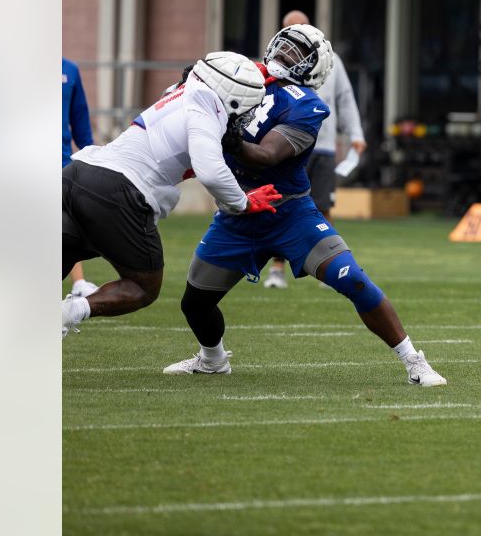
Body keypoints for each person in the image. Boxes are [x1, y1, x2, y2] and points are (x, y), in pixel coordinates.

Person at [163, 24, 447, 387]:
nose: (286, 55)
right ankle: (212, 359)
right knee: (195, 302)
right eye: (284, 46)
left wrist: (228, 136)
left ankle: (414, 361)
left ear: (313, 67)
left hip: (289, 214)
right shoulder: (249, 79)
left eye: (298, 53)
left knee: (355, 281)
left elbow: (266, 155)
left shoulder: (308, 105)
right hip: (238, 212)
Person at [62, 52, 278, 338]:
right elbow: (211, 170)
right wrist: (243, 201)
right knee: (143, 286)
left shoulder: (181, 91)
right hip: (119, 190)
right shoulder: (206, 105)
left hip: (78, 172)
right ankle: (67, 313)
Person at [263, 10, 365, 289]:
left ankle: (331, 265)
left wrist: (355, 133)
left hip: (323, 146)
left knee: (324, 205)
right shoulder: (273, 64)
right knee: (279, 203)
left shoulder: (331, 61)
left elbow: (345, 98)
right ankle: (276, 270)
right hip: (286, 145)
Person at [62, 57, 98, 298]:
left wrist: (92, 156)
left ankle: (79, 283)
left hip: (61, 162)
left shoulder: (69, 69)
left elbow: (80, 117)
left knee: (66, 224)